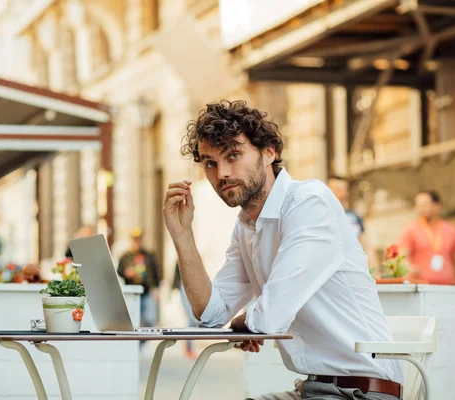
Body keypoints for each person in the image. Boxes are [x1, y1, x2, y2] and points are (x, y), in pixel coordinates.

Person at [162, 100, 402, 400]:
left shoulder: (308, 203)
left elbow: (268, 318)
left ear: (269, 152)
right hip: (313, 390)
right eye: (210, 162)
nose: (221, 173)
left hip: (362, 391)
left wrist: (246, 322)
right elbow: (210, 315)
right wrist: (183, 236)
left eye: (233, 155)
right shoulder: (246, 227)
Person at [397, 190, 455, 285]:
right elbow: (402, 258)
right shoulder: (410, 230)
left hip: (448, 286)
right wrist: (409, 267)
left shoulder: (451, 230)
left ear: (437, 206)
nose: (420, 209)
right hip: (422, 288)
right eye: (418, 205)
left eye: (424, 205)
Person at [117, 227, 161, 328]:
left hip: (147, 291)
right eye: (135, 239)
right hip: (133, 292)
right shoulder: (126, 256)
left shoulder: (149, 255)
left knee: (150, 319)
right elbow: (119, 270)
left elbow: (156, 272)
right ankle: (139, 342)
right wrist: (126, 272)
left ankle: (143, 341)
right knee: (135, 321)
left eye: (139, 239)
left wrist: (156, 289)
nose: (137, 241)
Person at [328, 176, 376, 266]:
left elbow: (367, 245)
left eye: (344, 189)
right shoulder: (322, 217)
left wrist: (374, 270)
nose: (342, 193)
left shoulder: (353, 217)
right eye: (337, 189)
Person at [171, 262, 198, 359]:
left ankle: (189, 346)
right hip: (184, 288)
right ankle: (190, 347)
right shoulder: (180, 261)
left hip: (195, 289)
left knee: (192, 321)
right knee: (191, 319)